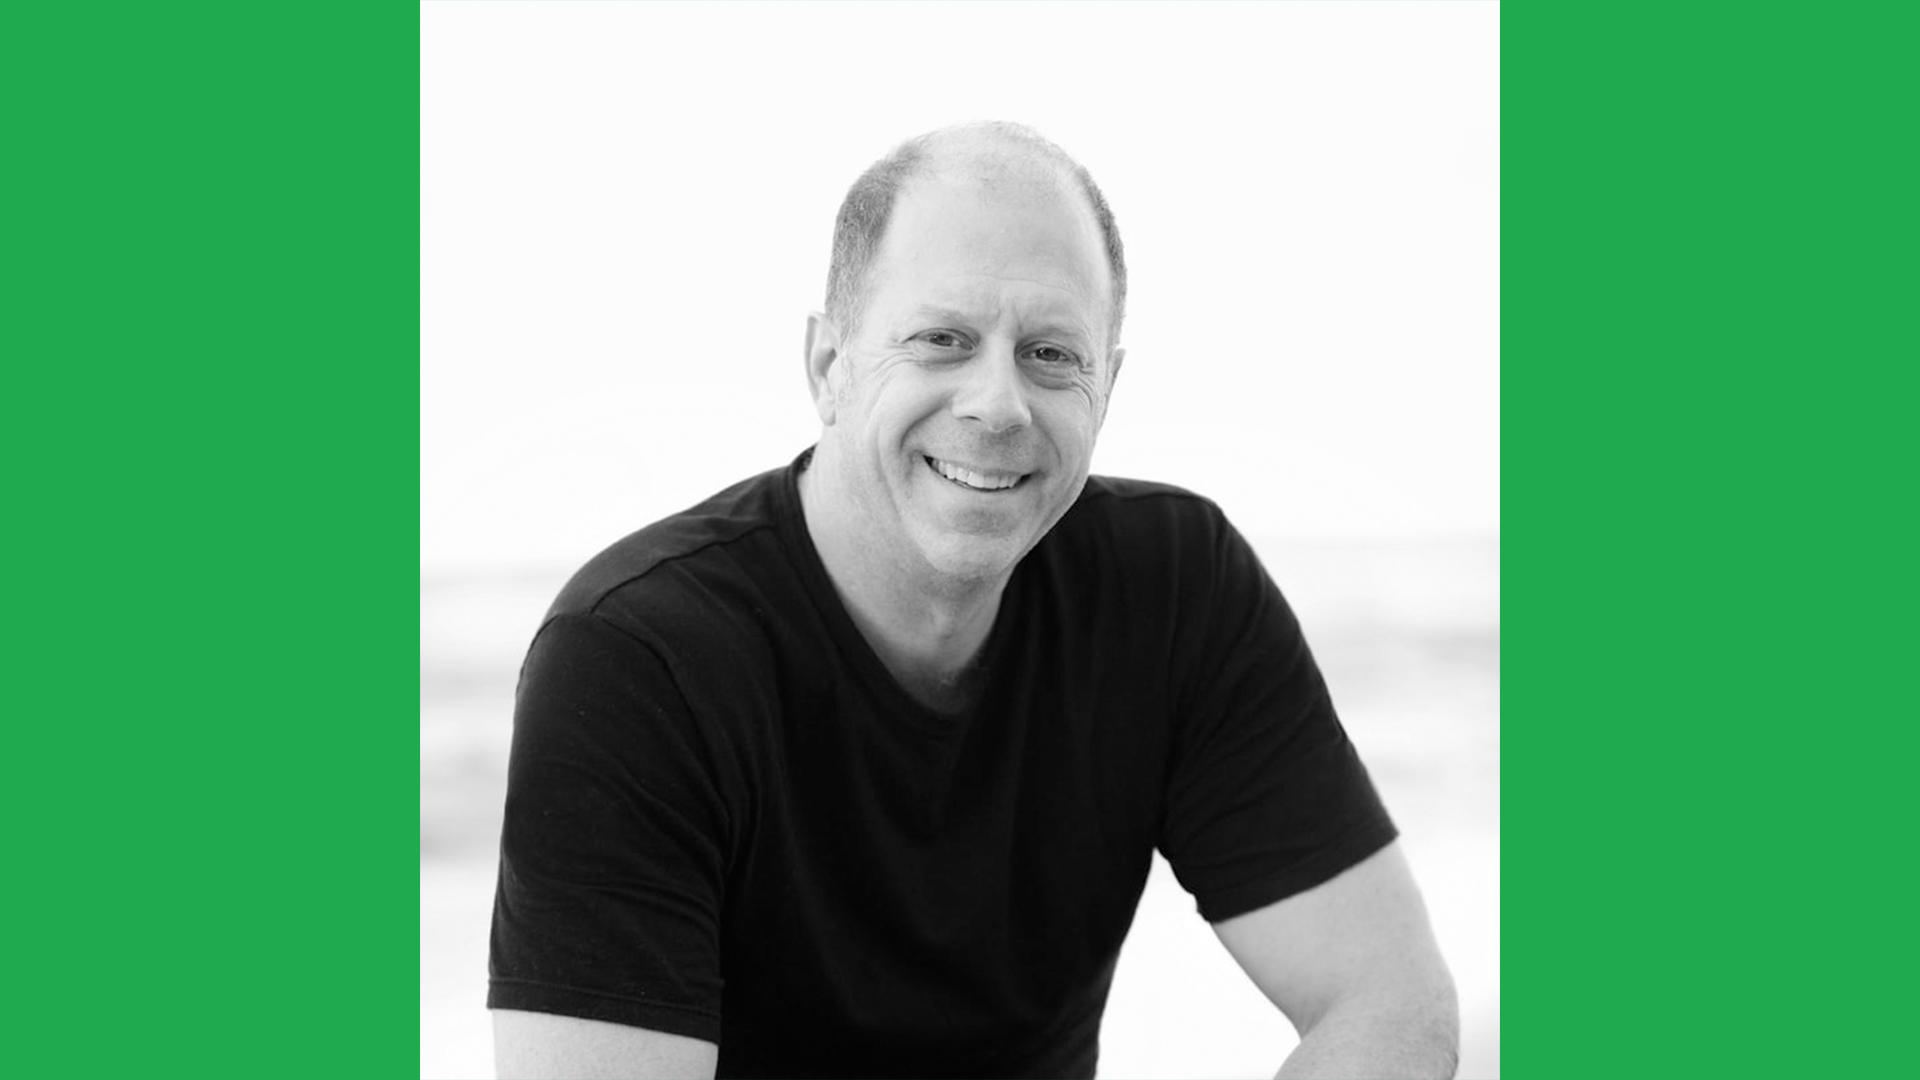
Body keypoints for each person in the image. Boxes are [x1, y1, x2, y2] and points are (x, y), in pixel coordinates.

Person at [489, 122, 1458, 1079]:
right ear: (828, 367)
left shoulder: (1174, 588)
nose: (999, 403)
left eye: (1051, 354)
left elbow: (1388, 1003)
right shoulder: (637, 656)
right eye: (941, 340)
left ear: (1108, 386)